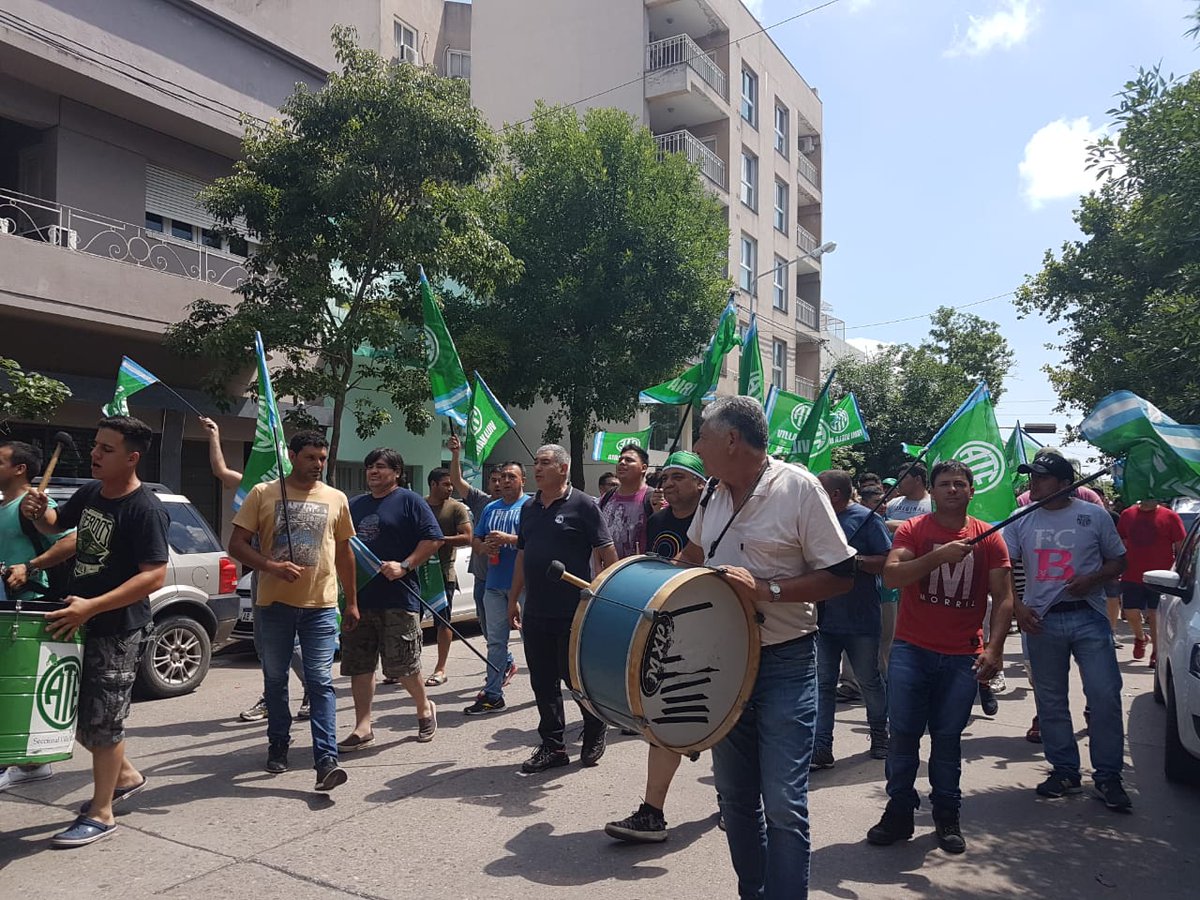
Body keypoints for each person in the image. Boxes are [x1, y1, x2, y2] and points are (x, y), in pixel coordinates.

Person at [682, 397, 855, 899]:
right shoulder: (712, 494)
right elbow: (693, 556)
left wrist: (767, 589)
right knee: (735, 800)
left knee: (782, 803)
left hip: (786, 660)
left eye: (703, 437)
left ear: (731, 440)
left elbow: (841, 576)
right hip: (723, 664)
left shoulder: (798, 488)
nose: (696, 448)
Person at [20, 416, 169, 847]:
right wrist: (38, 513)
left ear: (132, 457)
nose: (95, 454)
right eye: (96, 445)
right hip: (76, 617)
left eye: (106, 448)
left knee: (103, 722)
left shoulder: (146, 509)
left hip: (115, 628)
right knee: (75, 717)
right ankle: (125, 776)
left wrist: (93, 607)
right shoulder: (90, 493)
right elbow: (55, 526)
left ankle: (102, 813)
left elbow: (154, 576)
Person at [867, 459, 1013, 855]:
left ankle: (947, 814)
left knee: (947, 742)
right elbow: (892, 576)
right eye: (944, 484)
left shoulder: (990, 538)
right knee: (903, 739)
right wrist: (938, 556)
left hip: (961, 656)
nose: (952, 489)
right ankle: (898, 811)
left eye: (960, 483)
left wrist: (995, 648)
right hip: (911, 650)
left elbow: (1003, 599)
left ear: (971, 490)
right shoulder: (915, 529)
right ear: (932, 491)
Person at [229, 431, 358, 791]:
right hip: (274, 606)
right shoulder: (263, 494)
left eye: (322, 458)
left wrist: (353, 601)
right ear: (291, 455)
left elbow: (345, 552)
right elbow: (236, 545)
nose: (318, 464)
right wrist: (270, 566)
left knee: (320, 682)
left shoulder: (336, 498)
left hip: (320, 606)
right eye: (310, 457)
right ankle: (278, 743)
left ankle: (326, 760)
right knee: (275, 680)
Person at [1006, 451, 1131, 811]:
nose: (1034, 483)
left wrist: (1093, 578)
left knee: (1105, 696)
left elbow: (1119, 560)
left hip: (1088, 617)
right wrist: (1018, 608)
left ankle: (1108, 777)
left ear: (1065, 484)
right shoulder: (1020, 519)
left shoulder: (1094, 516)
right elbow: (1004, 568)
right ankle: (1065, 771)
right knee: (1050, 701)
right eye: (1032, 476)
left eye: (1042, 478)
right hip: (1040, 620)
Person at [605, 450, 708, 842]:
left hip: (716, 630)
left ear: (701, 483)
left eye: (679, 477)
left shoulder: (716, 517)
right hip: (670, 631)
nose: (668, 484)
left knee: (730, 724)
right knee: (667, 717)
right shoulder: (660, 519)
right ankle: (652, 813)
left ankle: (737, 804)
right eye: (666, 478)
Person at [508, 445, 616, 773]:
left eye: (544, 463)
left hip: (574, 611)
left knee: (575, 679)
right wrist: (513, 599)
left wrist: (611, 594)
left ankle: (595, 727)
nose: (537, 468)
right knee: (542, 682)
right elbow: (523, 557)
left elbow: (608, 553)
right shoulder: (528, 508)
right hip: (536, 611)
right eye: (536, 463)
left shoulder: (584, 506)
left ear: (563, 469)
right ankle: (553, 746)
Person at [199, 416, 308, 722]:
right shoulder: (259, 488)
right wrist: (215, 435)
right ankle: (271, 695)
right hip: (264, 573)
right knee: (263, 641)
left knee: (294, 640)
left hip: (297, 576)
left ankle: (313, 690)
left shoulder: (303, 489)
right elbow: (221, 472)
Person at [336, 449, 442, 751]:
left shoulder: (410, 501)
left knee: (403, 665)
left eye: (381, 467)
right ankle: (363, 726)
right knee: (359, 665)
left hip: (399, 597)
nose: (373, 472)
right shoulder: (353, 505)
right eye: (369, 466)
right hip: (360, 598)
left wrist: (405, 565)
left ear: (396, 472)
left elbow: (433, 539)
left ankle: (424, 708)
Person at [0, 440, 72, 792]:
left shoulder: (33, 506)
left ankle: (27, 762)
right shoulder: (3, 505)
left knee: (17, 685)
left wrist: (29, 567)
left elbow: (71, 540)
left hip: (23, 608)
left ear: (19, 469)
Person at [812, 470, 892, 769]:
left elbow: (886, 561)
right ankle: (822, 747)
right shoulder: (817, 520)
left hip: (860, 619)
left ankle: (880, 736)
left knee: (869, 681)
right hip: (824, 620)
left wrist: (853, 562)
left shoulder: (867, 519)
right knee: (823, 685)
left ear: (834, 494)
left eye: (819, 490)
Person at [447, 435, 517, 691]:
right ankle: (501, 670)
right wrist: (456, 454)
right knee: (490, 632)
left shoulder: (524, 506)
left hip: (515, 580)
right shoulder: (481, 502)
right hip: (484, 578)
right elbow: (456, 481)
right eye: (495, 480)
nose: (500, 484)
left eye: (505, 479)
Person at [465, 461, 529, 715]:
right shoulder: (491, 508)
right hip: (494, 584)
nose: (505, 481)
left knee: (532, 641)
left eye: (511, 477)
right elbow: (476, 538)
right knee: (495, 642)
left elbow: (535, 540)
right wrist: (484, 547)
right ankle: (493, 694)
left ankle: (546, 688)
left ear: (523, 479)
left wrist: (509, 540)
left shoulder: (531, 507)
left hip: (525, 586)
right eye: (502, 477)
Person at [1117, 498, 1185, 668]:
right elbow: (1120, 542)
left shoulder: (1170, 517)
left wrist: (1181, 571)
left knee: (1155, 615)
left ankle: (1156, 652)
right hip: (1132, 574)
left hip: (1160, 576)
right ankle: (1141, 638)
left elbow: (1180, 545)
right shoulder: (1127, 514)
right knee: (1130, 612)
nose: (1151, 499)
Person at [423, 467, 473, 686]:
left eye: (452, 484)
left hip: (444, 573)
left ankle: (440, 668)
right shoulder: (419, 505)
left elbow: (467, 537)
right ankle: (405, 667)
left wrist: (440, 540)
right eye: (446, 484)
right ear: (433, 485)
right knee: (410, 621)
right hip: (417, 572)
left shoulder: (456, 508)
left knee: (442, 622)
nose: (450, 488)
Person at [599, 444, 656, 558]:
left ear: (643, 468)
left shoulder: (653, 499)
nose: (622, 463)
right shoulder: (607, 498)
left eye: (629, 460)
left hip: (638, 572)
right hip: (607, 573)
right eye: (620, 459)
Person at [884, 462, 931, 533]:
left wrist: (895, 525)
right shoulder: (892, 503)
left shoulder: (934, 505)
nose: (898, 482)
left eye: (902, 477)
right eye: (898, 478)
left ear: (917, 479)